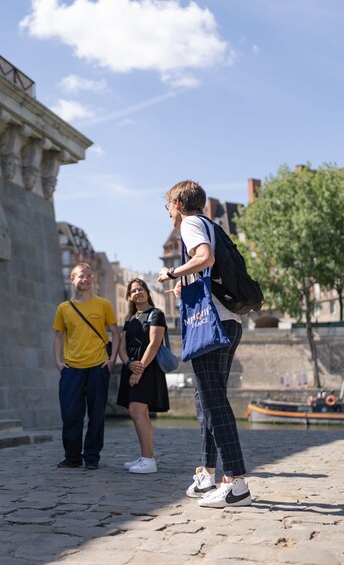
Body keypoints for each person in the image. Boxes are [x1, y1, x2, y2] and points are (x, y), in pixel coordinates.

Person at [157, 180, 252, 508]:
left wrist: (171, 273)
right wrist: (185, 284)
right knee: (207, 402)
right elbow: (207, 269)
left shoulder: (191, 224)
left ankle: (237, 483)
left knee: (212, 403)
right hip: (228, 322)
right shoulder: (210, 224)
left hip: (212, 325)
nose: (168, 213)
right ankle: (208, 475)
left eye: (168, 206)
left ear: (180, 204)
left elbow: (205, 258)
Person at [53, 262, 121, 470]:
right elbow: (58, 336)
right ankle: (72, 456)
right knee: (71, 414)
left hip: (98, 366)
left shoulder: (103, 304)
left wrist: (112, 359)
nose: (86, 279)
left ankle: (91, 456)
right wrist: (58, 361)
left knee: (96, 414)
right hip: (72, 368)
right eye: (81, 276)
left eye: (89, 276)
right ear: (72, 279)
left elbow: (116, 333)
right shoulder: (64, 308)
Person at [116, 278, 171, 474]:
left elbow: (154, 344)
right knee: (140, 413)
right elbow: (122, 347)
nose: (137, 293)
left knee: (136, 411)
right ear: (129, 296)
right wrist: (128, 363)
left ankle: (148, 460)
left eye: (140, 289)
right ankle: (145, 457)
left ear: (147, 292)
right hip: (132, 366)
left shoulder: (156, 314)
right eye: (133, 291)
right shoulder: (130, 318)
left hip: (147, 368)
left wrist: (138, 370)